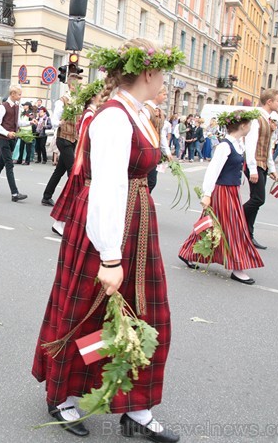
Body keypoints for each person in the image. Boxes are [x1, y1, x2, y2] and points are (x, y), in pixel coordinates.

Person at [33, 39, 183, 441]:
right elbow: (106, 189)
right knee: (85, 312)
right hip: (108, 229)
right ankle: (62, 394)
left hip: (136, 224)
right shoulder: (114, 118)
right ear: (148, 73)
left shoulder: (136, 112)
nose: (163, 80)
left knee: (146, 316)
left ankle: (135, 407)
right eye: (162, 73)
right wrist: (111, 257)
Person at [179, 109, 264, 284]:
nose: (250, 128)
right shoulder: (225, 146)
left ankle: (189, 253)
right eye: (249, 125)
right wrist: (207, 194)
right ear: (242, 125)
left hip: (231, 191)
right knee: (233, 227)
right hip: (222, 191)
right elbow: (213, 171)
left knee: (214, 226)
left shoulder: (238, 144)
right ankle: (237, 266)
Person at [44, 79, 104, 236]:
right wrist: (61, 122)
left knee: (61, 172)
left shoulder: (81, 105)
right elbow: (55, 120)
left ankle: (49, 200)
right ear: (70, 86)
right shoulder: (63, 101)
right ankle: (70, 219)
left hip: (74, 141)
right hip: (64, 138)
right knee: (75, 177)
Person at [242, 89, 278, 251]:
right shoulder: (257, 119)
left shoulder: (268, 120)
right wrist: (252, 169)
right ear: (269, 102)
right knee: (258, 199)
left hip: (263, 164)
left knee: (256, 201)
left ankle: (248, 235)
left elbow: (267, 147)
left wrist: (271, 168)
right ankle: (234, 220)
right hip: (255, 165)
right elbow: (250, 145)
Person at [0, 85, 28, 202]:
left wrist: (29, 123)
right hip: (3, 139)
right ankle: (14, 193)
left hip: (12, 139)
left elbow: (17, 122)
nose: (20, 96)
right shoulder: (3, 107)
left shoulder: (17, 106)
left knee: (0, 164)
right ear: (12, 94)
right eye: (19, 94)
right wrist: (7, 133)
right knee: (9, 164)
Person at [142, 85, 172, 192]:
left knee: (151, 181)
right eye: (164, 94)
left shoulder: (159, 111)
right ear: (156, 94)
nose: (165, 97)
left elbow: (161, 133)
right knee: (148, 181)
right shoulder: (145, 109)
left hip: (154, 151)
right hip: (146, 151)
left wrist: (166, 152)